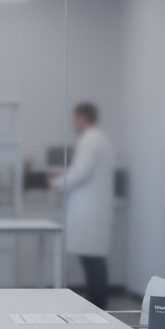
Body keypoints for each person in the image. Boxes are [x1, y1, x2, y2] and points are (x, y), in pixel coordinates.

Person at [51, 103, 115, 309]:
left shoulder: (90, 139)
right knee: (93, 259)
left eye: (73, 119)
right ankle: (99, 303)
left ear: (81, 117)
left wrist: (57, 183)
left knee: (92, 260)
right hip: (94, 207)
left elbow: (80, 171)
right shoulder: (101, 139)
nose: (73, 124)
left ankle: (97, 305)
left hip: (89, 209)